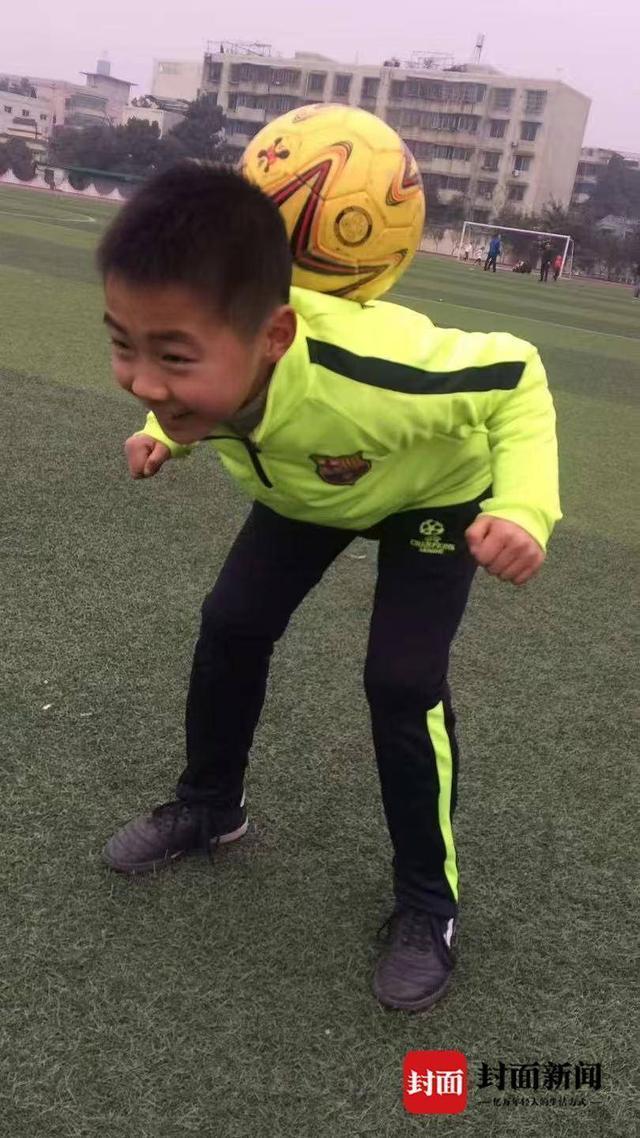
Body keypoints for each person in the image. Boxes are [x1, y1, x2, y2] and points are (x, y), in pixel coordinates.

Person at [98, 164, 561, 1014]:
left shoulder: (372, 372)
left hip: (430, 494)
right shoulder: (213, 361)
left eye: (173, 358)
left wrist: (523, 507)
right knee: (232, 623)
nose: (144, 381)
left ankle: (428, 904)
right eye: (124, 345)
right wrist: (166, 431)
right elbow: (191, 390)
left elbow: (516, 375)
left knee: (401, 681)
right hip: (310, 488)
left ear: (275, 337)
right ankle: (211, 806)